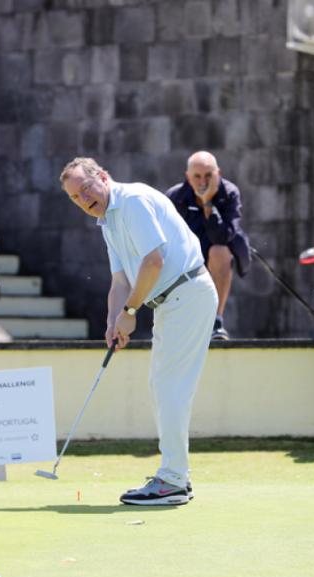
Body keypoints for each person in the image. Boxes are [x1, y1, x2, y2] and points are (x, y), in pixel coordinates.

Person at [60, 157, 218, 506]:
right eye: (75, 198)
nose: (84, 200)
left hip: (187, 291)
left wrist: (130, 312)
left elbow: (154, 261)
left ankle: (174, 479)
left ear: (102, 176)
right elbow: (120, 279)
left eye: (86, 189)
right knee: (162, 385)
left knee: (169, 386)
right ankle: (175, 476)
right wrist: (113, 318)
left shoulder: (131, 201)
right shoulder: (107, 221)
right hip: (171, 300)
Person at [164, 151, 251, 340]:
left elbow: (222, 236)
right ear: (188, 177)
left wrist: (208, 203)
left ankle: (216, 321)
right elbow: (168, 240)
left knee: (219, 252)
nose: (203, 182)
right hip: (186, 258)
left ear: (218, 173)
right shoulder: (175, 196)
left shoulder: (229, 193)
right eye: (197, 176)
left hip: (217, 254)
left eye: (208, 175)